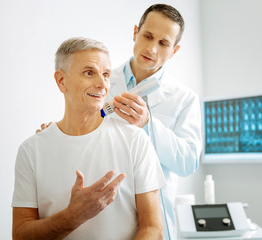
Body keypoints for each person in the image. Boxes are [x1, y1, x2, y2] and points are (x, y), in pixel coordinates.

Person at [38, 4, 202, 239]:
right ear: (135, 33)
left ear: (174, 51)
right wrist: (55, 135)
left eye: (163, 43)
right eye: (147, 36)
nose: (152, 49)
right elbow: (78, 129)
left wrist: (148, 124)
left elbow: (188, 163)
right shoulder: (100, 81)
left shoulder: (184, 99)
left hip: (154, 219)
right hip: (104, 216)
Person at [12, 37, 166, 240]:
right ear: (61, 81)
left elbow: (153, 229)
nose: (102, 84)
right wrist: (72, 217)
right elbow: (20, 234)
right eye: (89, 73)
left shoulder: (135, 141)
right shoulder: (31, 150)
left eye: (106, 74)